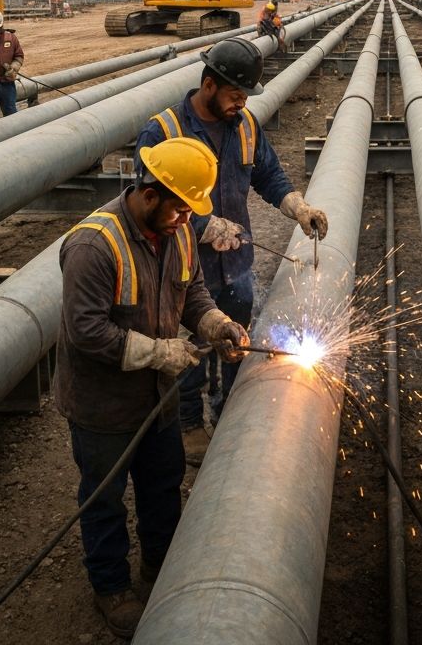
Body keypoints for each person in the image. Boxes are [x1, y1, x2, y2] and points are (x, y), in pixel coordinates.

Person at [57, 137, 250, 639]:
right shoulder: (93, 246)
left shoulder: (179, 230)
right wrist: (159, 352)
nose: (187, 219)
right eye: (180, 208)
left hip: (157, 398)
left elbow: (193, 292)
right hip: (103, 404)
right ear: (148, 192)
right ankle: (112, 587)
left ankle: (161, 569)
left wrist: (214, 324)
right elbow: (86, 331)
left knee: (162, 485)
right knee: (104, 498)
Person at [133, 37, 328, 464]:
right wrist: (203, 227)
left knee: (236, 341)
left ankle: (230, 413)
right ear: (209, 85)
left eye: (245, 96)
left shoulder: (245, 126)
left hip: (235, 265)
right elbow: (145, 202)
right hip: (181, 269)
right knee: (188, 350)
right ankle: (188, 425)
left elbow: (269, 176)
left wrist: (298, 207)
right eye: (235, 94)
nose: (241, 103)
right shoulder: (163, 132)